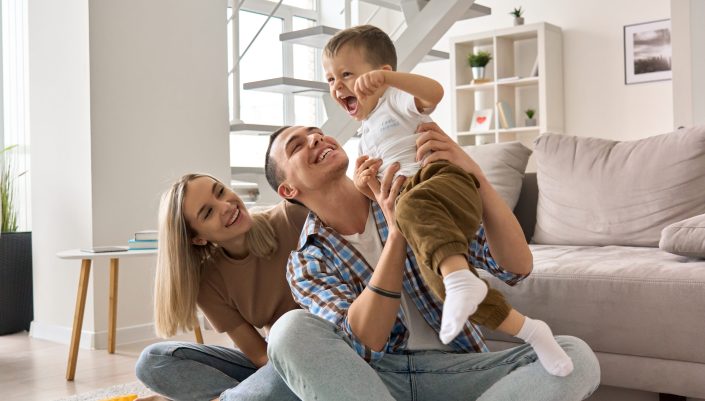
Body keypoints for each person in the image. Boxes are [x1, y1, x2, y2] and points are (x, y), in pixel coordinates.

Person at [263, 124, 601, 400]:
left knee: (575, 356)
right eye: (297, 145)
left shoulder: (413, 194)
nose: (315, 138)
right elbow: (367, 340)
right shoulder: (307, 262)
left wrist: (476, 176)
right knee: (288, 331)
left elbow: (516, 267)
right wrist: (396, 232)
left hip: (459, 371)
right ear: (288, 191)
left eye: (316, 132)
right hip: (378, 383)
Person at [321, 24, 572, 375]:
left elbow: (433, 92)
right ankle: (532, 331)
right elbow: (389, 203)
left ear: (382, 75)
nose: (337, 86)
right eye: (330, 79)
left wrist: (388, 81)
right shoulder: (363, 139)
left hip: (443, 182)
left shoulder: (395, 100)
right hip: (414, 208)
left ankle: (460, 282)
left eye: (346, 74)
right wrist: (371, 189)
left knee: (411, 207)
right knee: (444, 285)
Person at [134, 173, 307, 401]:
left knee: (276, 384)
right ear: (197, 239)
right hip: (278, 362)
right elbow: (260, 356)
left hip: (325, 348)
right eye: (208, 212)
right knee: (152, 361)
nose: (226, 206)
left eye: (221, 191)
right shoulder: (207, 282)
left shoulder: (291, 217)